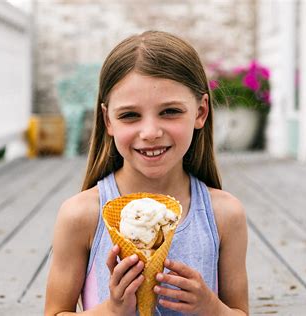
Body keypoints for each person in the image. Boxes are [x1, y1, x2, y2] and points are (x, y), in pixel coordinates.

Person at [45, 30, 248, 316]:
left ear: (201, 112)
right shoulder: (81, 215)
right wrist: (112, 310)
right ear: (108, 121)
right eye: (130, 115)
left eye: (170, 111)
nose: (150, 132)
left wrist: (211, 308)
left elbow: (239, 311)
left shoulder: (224, 214)